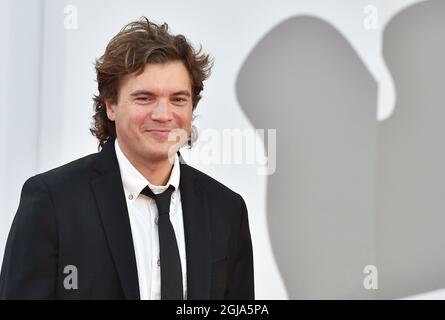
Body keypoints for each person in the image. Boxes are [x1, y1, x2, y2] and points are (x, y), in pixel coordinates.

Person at [0, 17, 254, 300]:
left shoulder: (227, 210)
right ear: (111, 105)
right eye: (144, 98)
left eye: (178, 99)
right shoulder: (53, 202)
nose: (163, 114)